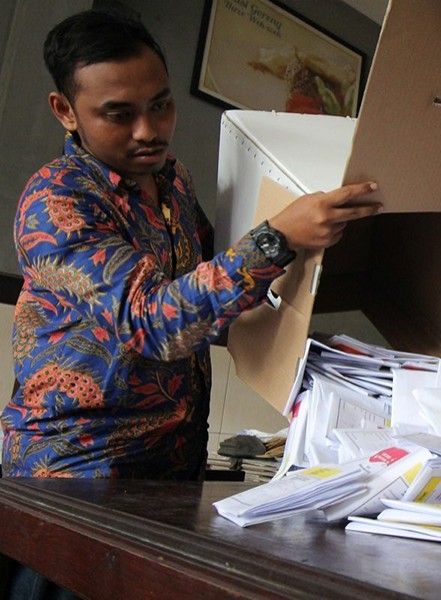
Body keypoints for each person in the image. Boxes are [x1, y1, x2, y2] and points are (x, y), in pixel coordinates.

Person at [0, 9, 381, 481]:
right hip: (76, 471)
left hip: (176, 460)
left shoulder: (172, 179)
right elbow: (151, 323)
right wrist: (277, 236)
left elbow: (210, 272)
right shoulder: (56, 200)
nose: (148, 130)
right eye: (119, 114)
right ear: (65, 111)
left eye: (161, 104)